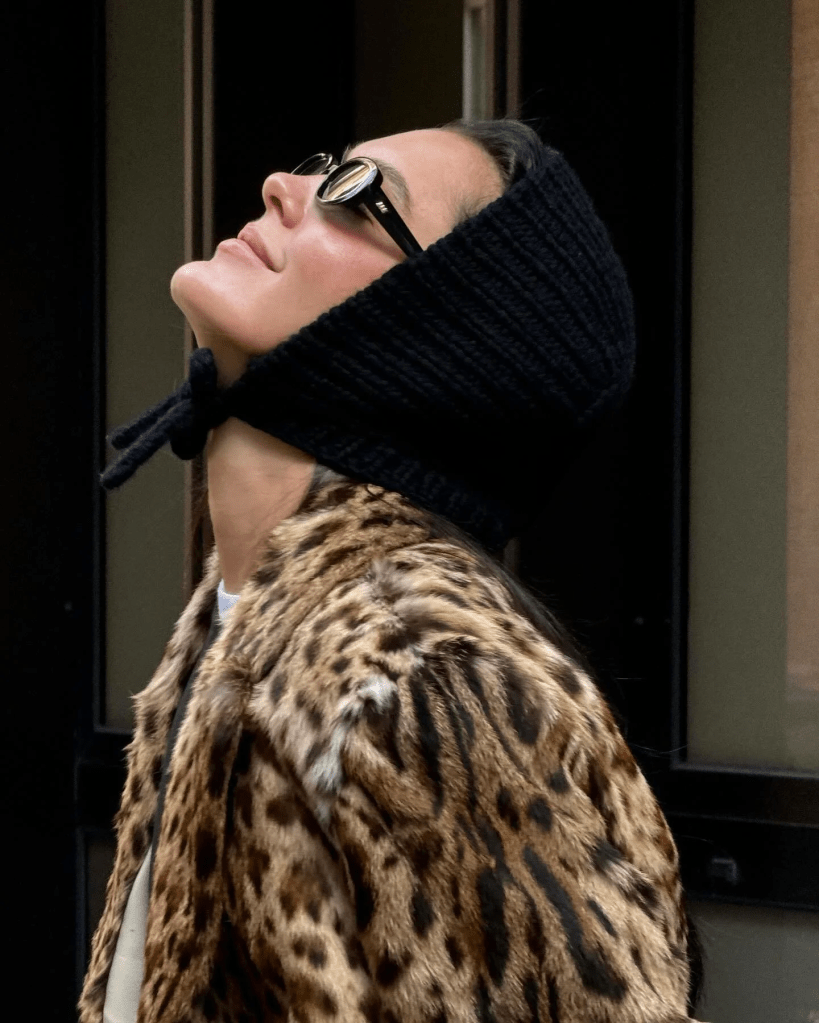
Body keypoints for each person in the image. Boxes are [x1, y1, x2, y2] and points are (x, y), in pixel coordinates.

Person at [80, 120, 703, 1023]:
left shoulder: (419, 671)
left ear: (439, 330)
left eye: (357, 197)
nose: (281, 186)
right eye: (320, 169)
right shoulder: (250, 629)